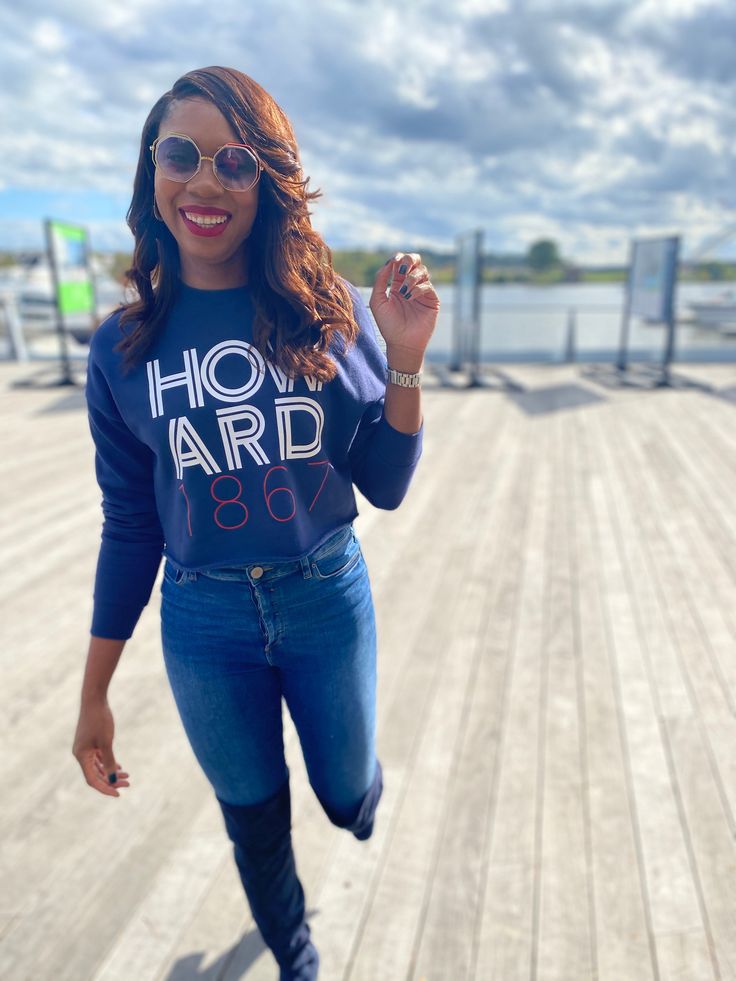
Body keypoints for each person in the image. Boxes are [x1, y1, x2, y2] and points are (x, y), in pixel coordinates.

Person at [71, 66, 439, 980]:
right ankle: (298, 956)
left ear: (267, 179)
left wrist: (404, 359)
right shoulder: (121, 350)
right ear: (150, 172)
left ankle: (358, 794)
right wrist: (93, 693)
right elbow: (129, 528)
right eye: (181, 154)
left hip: (324, 596)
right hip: (205, 621)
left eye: (235, 160)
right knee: (254, 816)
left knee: (345, 792)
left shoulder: (334, 311)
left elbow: (383, 486)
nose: (204, 181)